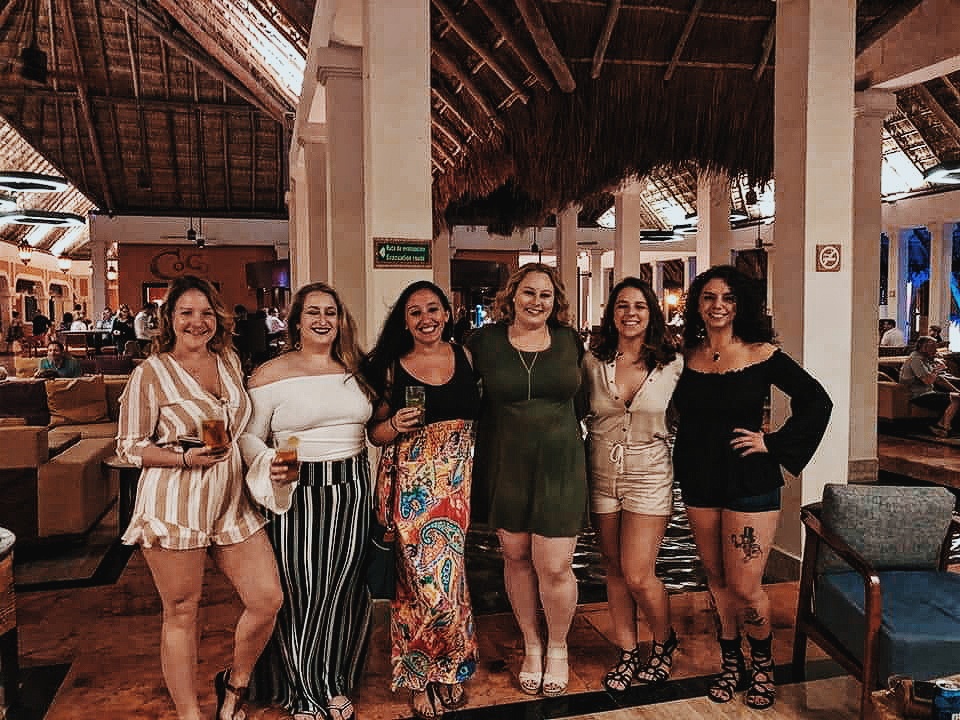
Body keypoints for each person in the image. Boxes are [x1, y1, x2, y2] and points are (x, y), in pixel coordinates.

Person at [116, 275, 285, 720]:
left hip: (230, 500)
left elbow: (240, 424)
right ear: (168, 319)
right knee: (182, 610)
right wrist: (185, 460)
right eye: (186, 312)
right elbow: (129, 446)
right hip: (176, 503)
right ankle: (190, 714)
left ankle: (236, 686)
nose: (197, 321)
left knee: (267, 599)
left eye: (206, 312)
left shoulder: (228, 359)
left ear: (218, 318)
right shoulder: (149, 374)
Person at [671, 265, 832, 710]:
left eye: (727, 298)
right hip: (699, 477)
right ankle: (730, 662)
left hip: (748, 478)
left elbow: (817, 401)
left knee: (745, 585)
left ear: (740, 305)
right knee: (717, 578)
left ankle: (762, 665)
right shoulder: (684, 354)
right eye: (708, 297)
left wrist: (773, 443)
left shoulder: (762, 353)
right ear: (696, 305)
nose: (717, 306)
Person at [239, 282, 374, 720]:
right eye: (313, 311)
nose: (322, 320)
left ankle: (334, 678)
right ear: (296, 320)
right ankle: (304, 689)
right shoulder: (270, 373)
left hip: (354, 484)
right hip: (299, 487)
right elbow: (247, 437)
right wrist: (268, 463)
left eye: (330, 312)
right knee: (303, 591)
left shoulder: (355, 366)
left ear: (340, 320)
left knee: (344, 588)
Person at [466, 263, 586, 697]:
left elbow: (586, 401)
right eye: (529, 293)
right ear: (512, 295)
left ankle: (558, 646)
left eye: (546, 296)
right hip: (506, 463)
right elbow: (458, 390)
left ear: (556, 303)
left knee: (554, 564)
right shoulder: (484, 342)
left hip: (559, 464)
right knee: (515, 557)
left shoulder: (570, 341)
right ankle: (531, 645)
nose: (537, 302)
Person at [363, 281, 480, 719]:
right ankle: (419, 672)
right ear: (404, 320)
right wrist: (394, 422)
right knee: (420, 587)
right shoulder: (393, 367)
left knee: (453, 584)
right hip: (412, 488)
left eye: (433, 309)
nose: (425, 318)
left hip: (458, 485)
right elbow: (375, 434)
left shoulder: (465, 357)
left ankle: (449, 667)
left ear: (447, 313)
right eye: (415, 312)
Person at [581, 278, 683, 692]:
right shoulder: (592, 360)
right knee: (613, 568)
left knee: (639, 573)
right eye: (622, 306)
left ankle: (663, 641)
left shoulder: (673, 363)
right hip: (601, 470)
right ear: (611, 313)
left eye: (639, 306)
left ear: (651, 312)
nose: (630, 313)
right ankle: (626, 651)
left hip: (650, 471)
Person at [899, 334, 960, 437]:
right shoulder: (915, 360)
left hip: (929, 392)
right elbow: (928, 381)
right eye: (933, 347)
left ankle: (941, 425)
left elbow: (939, 379)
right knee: (957, 399)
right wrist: (937, 369)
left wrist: (957, 390)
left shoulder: (925, 359)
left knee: (957, 396)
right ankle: (945, 427)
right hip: (918, 396)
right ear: (924, 347)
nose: (936, 350)